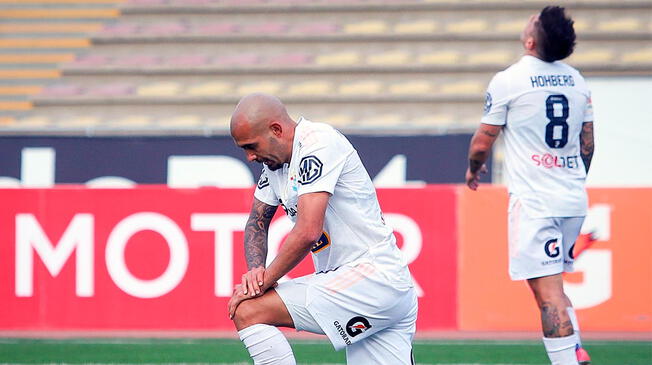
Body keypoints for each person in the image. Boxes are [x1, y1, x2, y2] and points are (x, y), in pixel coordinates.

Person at [228, 93, 418, 365]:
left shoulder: (318, 143)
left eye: (251, 146)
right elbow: (256, 221)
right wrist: (256, 272)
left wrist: (265, 282)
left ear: (276, 130)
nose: (249, 156)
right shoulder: (276, 166)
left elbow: (308, 232)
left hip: (370, 277)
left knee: (249, 310)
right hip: (382, 287)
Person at [465, 6, 594, 365]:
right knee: (551, 286)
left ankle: (566, 360)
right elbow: (588, 142)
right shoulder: (576, 80)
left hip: (536, 202)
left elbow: (482, 141)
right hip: (572, 198)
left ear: (530, 39)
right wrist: (572, 178)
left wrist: (474, 169)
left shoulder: (510, 79)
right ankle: (576, 349)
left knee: (547, 292)